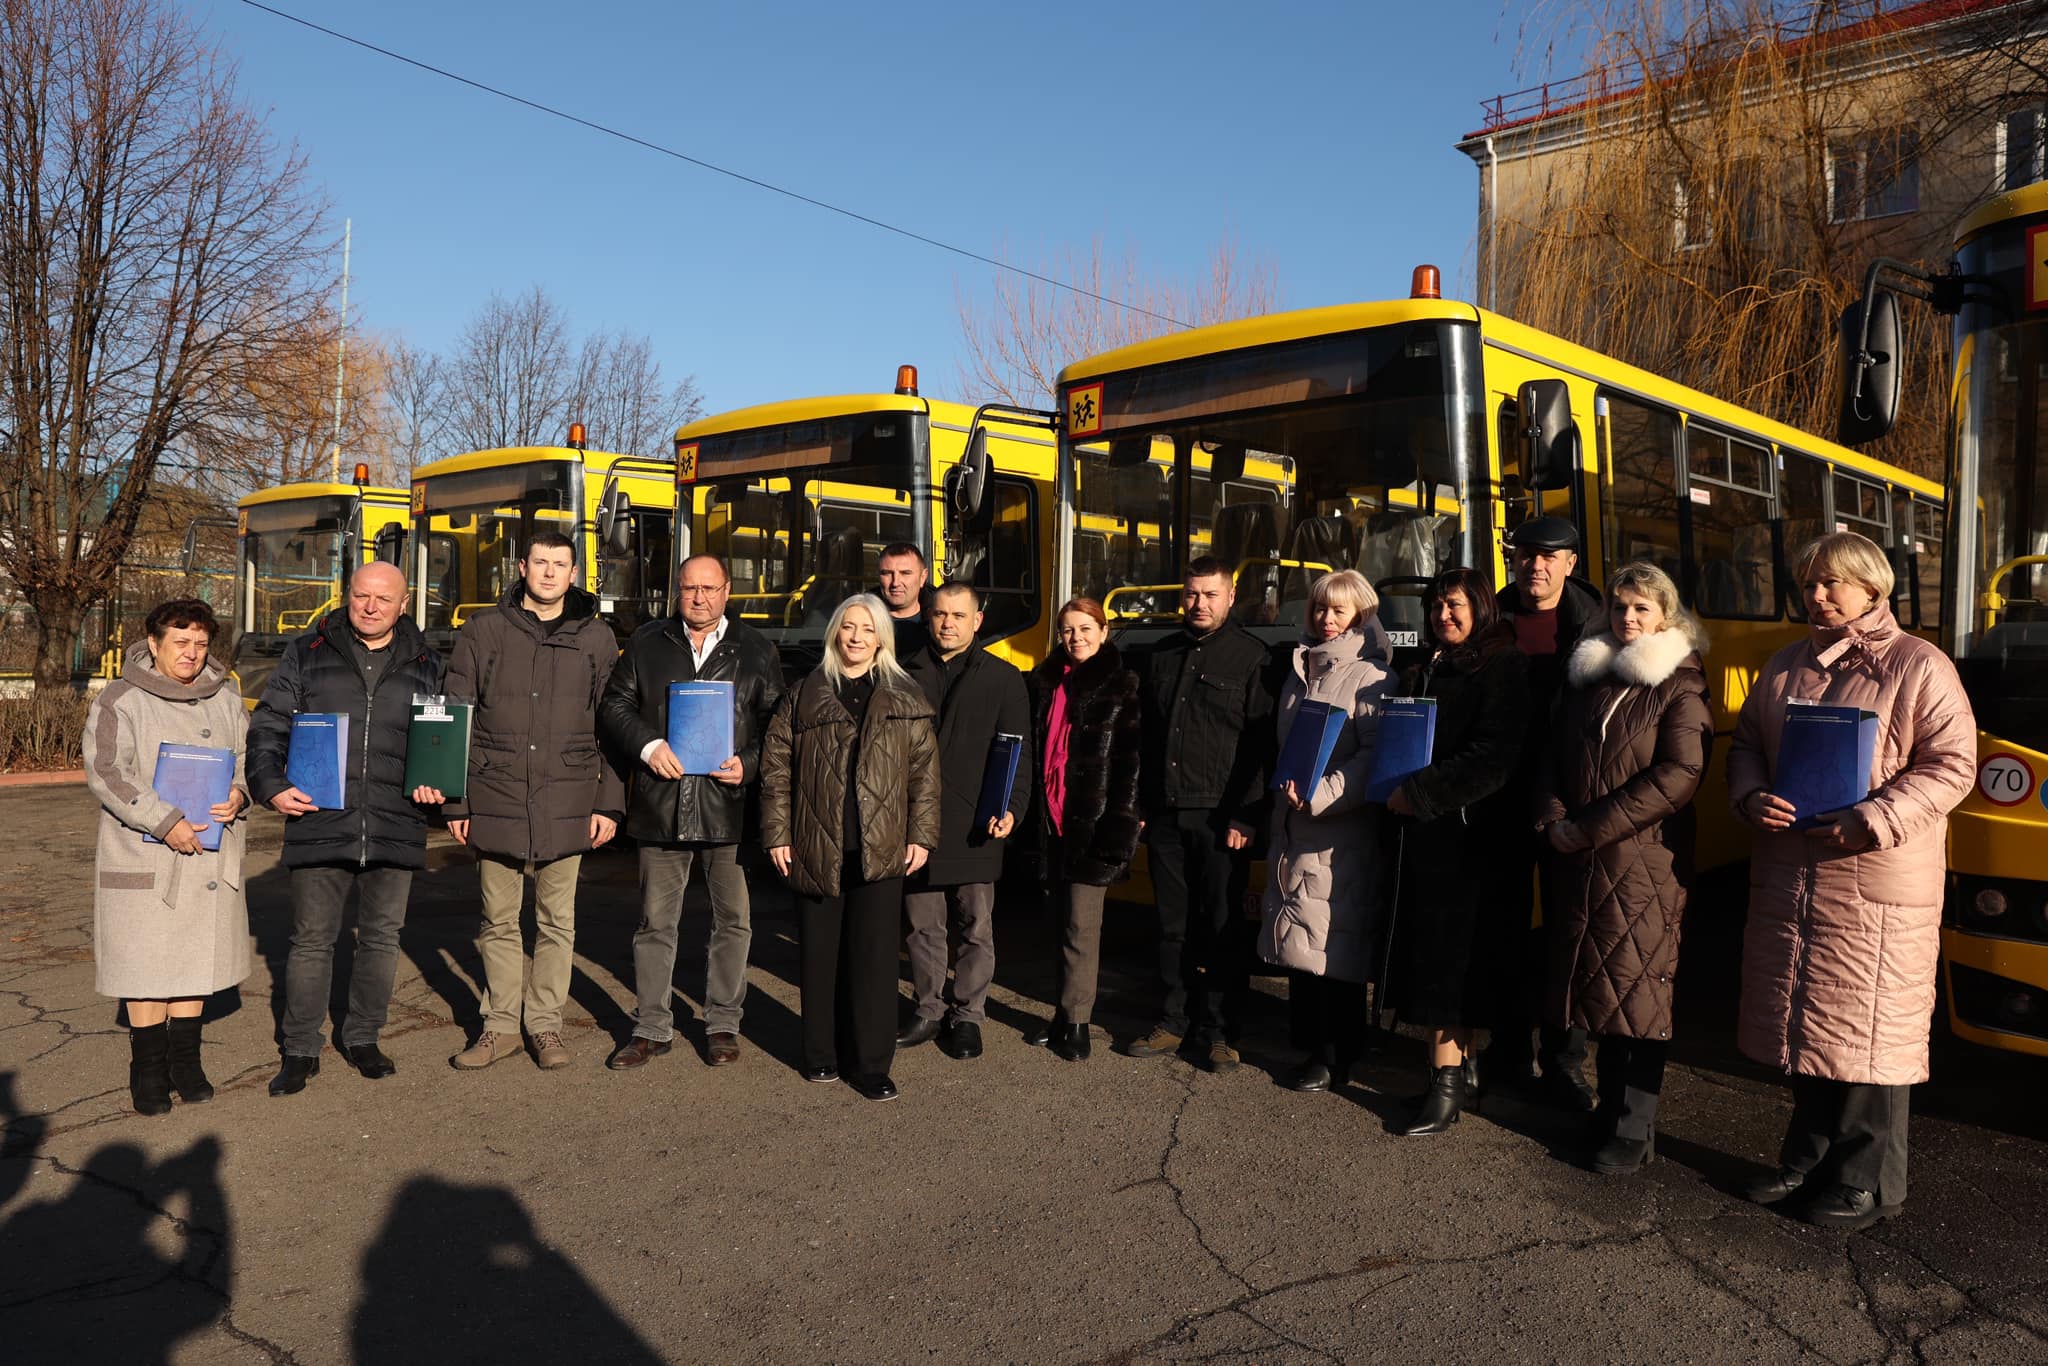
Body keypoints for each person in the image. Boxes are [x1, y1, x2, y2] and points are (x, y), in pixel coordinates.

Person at [1728, 531, 1974, 1230]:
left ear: (1873, 590)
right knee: (1808, 1026)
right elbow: (1746, 747)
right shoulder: (1784, 667)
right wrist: (1750, 798)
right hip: (1796, 874)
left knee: (1872, 1034)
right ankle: (1806, 1158)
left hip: (1875, 876)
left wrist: (1874, 817)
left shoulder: (1919, 665)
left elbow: (1953, 765)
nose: (1817, 596)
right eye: (1809, 584)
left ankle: (1866, 1179)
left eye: (1833, 583)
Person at [1533, 563, 1713, 1173]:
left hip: (1642, 863)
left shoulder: (1680, 683)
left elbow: (1678, 777)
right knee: (1601, 989)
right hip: (1584, 856)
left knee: (1640, 994)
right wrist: (1554, 816)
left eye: (1641, 608)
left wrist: (1585, 828)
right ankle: (1608, 1114)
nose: (1628, 618)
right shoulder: (1592, 675)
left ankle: (1634, 1131)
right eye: (1618, 607)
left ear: (1666, 614)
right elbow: (1553, 755)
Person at [428, 531, 625, 1072]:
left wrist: (608, 803)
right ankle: (498, 1028)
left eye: (560, 564)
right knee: (498, 919)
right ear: (522, 566)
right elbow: (455, 714)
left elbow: (614, 724)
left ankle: (544, 1026)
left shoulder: (598, 638)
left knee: (558, 921)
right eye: (540, 562)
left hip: (570, 794)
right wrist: (456, 803)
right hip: (496, 792)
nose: (548, 573)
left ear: (574, 573)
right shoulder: (483, 631)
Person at [247, 561, 445, 1096]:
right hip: (319, 814)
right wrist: (270, 783)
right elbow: (270, 723)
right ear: (347, 596)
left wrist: (442, 789)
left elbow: (445, 739)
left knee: (381, 940)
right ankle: (300, 1048)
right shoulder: (307, 652)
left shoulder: (429, 662)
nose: (371, 606)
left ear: (404, 604)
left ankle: (363, 1038)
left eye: (383, 598)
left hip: (395, 819)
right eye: (362, 596)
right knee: (312, 941)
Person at [596, 553, 783, 1070]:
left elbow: (778, 724)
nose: (698, 597)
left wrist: (747, 764)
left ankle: (722, 1024)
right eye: (688, 588)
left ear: (727, 591)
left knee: (733, 922)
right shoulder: (647, 643)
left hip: (729, 807)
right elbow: (614, 705)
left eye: (708, 588)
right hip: (661, 804)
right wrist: (649, 746)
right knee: (656, 922)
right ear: (676, 591)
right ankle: (651, 1026)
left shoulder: (756, 650)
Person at [759, 594, 939, 1101]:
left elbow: (925, 777)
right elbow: (775, 773)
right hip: (817, 842)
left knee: (876, 961)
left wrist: (922, 834)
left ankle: (872, 1064)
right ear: (835, 632)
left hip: (881, 848)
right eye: (847, 627)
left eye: (867, 628)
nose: (856, 636)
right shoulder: (803, 695)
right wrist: (778, 834)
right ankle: (821, 1054)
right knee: (820, 958)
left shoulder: (906, 697)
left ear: (882, 636)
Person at [82, 600, 252, 1116]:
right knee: (146, 968)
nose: (192, 654)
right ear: (153, 644)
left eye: (201, 644)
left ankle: (187, 1062)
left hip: (208, 853)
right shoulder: (122, 698)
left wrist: (240, 794)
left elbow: (245, 759)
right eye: (181, 643)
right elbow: (108, 772)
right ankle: (148, 1070)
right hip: (147, 851)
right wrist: (164, 819)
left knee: (193, 966)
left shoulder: (225, 697)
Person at [1384, 567, 1529, 1136]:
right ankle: (1457, 1072)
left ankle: (1443, 1086)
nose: (1444, 615)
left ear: (1482, 608)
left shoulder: (1503, 664)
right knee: (1444, 960)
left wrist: (1418, 793)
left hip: (1473, 839)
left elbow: (1496, 756)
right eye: (1437, 606)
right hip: (1429, 833)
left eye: (1455, 605)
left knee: (1448, 965)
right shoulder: (1424, 665)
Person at [1128, 556, 1277, 1072]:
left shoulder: (1252, 658)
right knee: (1171, 926)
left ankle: (1219, 1031)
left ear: (1231, 596)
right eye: (1192, 594)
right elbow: (1147, 738)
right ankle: (1172, 1022)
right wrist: (1144, 805)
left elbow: (1261, 746)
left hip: (1221, 818)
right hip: (1166, 813)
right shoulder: (1161, 655)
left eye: (1210, 595)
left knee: (1221, 926)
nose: (1199, 604)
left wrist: (1247, 815)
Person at [1258, 570, 1395, 1094]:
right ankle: (1313, 1044)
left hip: (1341, 829)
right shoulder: (1300, 671)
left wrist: (1320, 795)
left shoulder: (1371, 677)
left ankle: (1336, 1055)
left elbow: (1372, 757)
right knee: (1302, 940)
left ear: (1360, 615)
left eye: (1338, 611)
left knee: (1335, 946)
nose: (1326, 619)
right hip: (1294, 823)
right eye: (1319, 609)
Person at [1488, 514, 1604, 1111]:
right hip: (1501, 798)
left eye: (1549, 555)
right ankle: (1506, 1050)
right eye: (1527, 553)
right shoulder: (1492, 617)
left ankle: (1564, 1061)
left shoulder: (1600, 625)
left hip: (1566, 800)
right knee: (1503, 931)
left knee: (1568, 934)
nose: (1536, 564)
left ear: (1570, 564)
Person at [899, 582, 1033, 1060]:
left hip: (977, 821)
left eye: (958, 615)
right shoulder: (902, 673)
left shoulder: (1003, 677)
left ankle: (969, 1016)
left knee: (975, 925)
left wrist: (1012, 808)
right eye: (939, 615)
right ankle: (928, 1009)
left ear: (977, 621)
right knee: (922, 926)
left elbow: (1018, 752)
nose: (947, 623)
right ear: (928, 618)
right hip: (914, 822)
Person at [1020, 598, 1143, 1061]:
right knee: (1056, 926)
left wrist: (1121, 827)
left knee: (1080, 926)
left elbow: (1130, 762)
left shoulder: (1122, 684)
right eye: (1068, 630)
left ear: (1104, 630)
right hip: (1051, 821)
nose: (1076, 638)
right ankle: (1060, 1014)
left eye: (1085, 628)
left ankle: (1077, 1024)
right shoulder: (1046, 683)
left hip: (1095, 826)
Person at [876, 542, 931, 660]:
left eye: (905, 573)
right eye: (887, 574)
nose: (895, 583)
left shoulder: (941, 622)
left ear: (923, 577)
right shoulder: (860, 619)